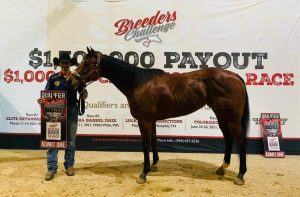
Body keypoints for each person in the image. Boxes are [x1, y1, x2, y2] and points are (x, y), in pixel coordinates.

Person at [37, 52, 87, 181]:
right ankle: (51, 168)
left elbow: (83, 92)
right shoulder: (53, 78)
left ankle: (69, 165)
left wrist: (84, 94)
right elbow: (46, 95)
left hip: (71, 110)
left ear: (70, 63)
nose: (65, 65)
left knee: (70, 141)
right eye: (62, 62)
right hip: (55, 112)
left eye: (67, 62)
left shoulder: (76, 78)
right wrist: (42, 100)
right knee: (53, 141)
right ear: (59, 64)